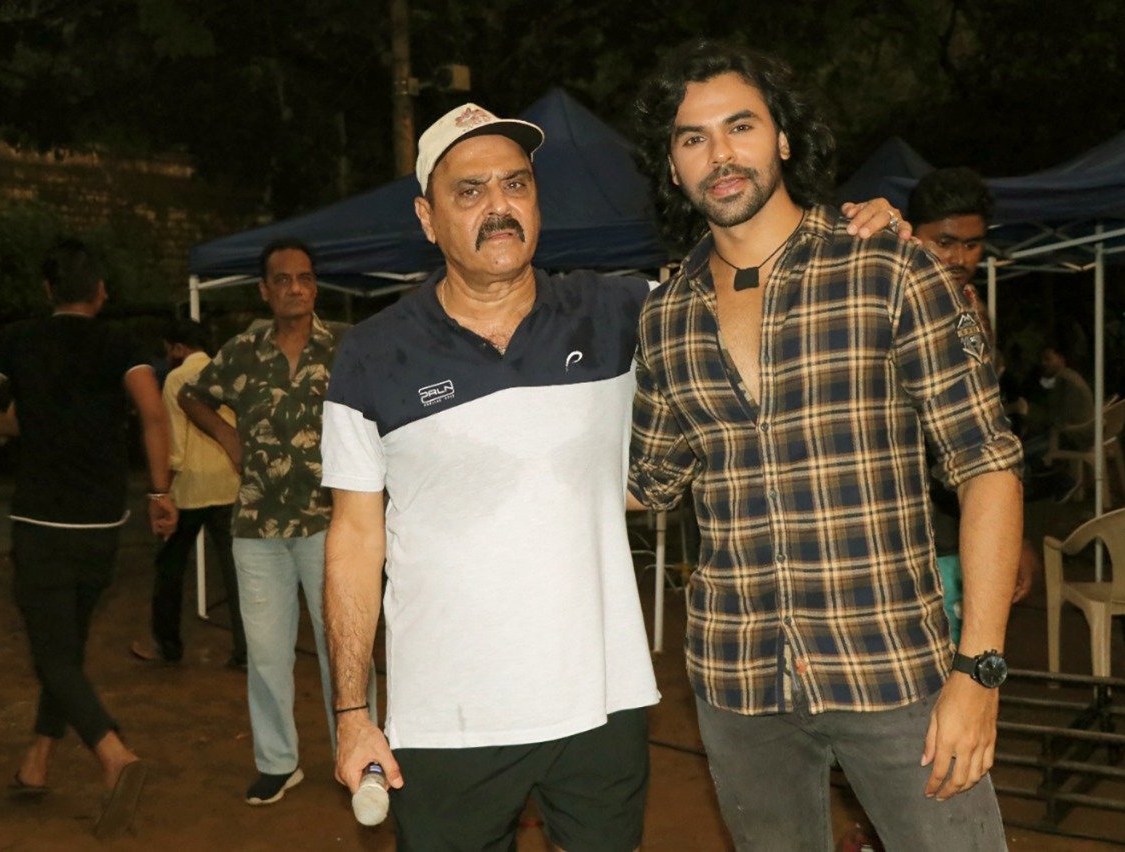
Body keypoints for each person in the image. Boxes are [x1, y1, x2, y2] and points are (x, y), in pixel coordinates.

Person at [320, 102, 905, 849]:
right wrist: (352, 713)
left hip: (603, 703)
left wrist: (849, 237)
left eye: (516, 184)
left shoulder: (621, 312)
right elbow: (354, 540)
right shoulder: (371, 356)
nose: (499, 206)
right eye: (469, 191)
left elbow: (753, 290)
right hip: (447, 719)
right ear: (427, 219)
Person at [629, 40, 1022, 849]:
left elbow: (988, 466)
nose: (719, 154)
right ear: (672, 166)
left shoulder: (888, 267)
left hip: (894, 670)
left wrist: (979, 672)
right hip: (740, 684)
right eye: (693, 138)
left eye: (740, 126)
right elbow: (648, 482)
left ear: (782, 137)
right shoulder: (666, 316)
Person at [0, 237, 177, 838]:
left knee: (52, 653)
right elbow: (154, 415)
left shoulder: (18, 339)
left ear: (48, 290)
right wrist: (159, 492)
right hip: (101, 525)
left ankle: (113, 754)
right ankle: (38, 761)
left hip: (41, 523)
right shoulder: (122, 345)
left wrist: (11, 424)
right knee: (66, 647)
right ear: (101, 291)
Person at [179, 238, 347, 805]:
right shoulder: (242, 351)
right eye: (283, 279)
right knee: (267, 653)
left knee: (344, 648)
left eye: (305, 277)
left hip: (332, 523)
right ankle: (278, 763)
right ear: (264, 290)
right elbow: (192, 397)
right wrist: (227, 435)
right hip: (257, 528)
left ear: (315, 285)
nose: (295, 288)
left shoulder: (344, 346)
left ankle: (356, 754)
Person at [908, 168, 1038, 628]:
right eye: (943, 242)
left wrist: (1010, 534)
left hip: (962, 525)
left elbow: (989, 433)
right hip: (905, 533)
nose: (959, 257)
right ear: (911, 233)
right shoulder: (884, 305)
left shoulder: (969, 308)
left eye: (972, 244)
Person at [130, 318, 247, 669]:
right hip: (229, 485)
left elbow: (175, 445)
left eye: (169, 350)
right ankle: (245, 653)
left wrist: (160, 491)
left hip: (189, 489)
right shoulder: (227, 371)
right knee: (236, 573)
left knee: (169, 568)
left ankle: (167, 646)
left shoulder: (177, 379)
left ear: (178, 348)